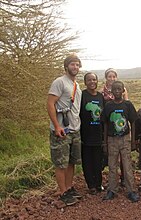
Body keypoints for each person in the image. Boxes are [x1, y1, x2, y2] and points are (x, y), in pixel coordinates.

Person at [47, 54, 83, 206]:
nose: (75, 67)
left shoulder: (76, 85)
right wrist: (56, 126)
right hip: (61, 130)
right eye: (72, 64)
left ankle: (68, 188)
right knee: (60, 162)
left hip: (74, 129)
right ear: (66, 66)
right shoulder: (59, 82)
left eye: (77, 65)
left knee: (71, 162)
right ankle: (62, 192)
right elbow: (50, 104)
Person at [102, 81, 139, 202]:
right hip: (112, 139)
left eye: (119, 89)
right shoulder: (108, 106)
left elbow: (133, 122)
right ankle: (112, 190)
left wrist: (133, 140)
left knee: (127, 165)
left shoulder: (127, 105)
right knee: (112, 165)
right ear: (111, 91)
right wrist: (105, 142)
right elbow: (106, 124)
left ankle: (131, 190)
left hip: (125, 138)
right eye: (115, 89)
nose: (117, 91)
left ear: (123, 91)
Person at [101, 68, 127, 186]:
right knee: (111, 154)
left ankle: (124, 178)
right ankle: (112, 181)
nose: (111, 78)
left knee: (123, 155)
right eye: (109, 76)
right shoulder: (102, 92)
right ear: (106, 78)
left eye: (114, 76)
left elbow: (126, 105)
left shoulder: (122, 90)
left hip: (121, 124)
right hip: (108, 124)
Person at [80, 72, 104, 195]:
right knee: (87, 161)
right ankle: (91, 185)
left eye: (94, 79)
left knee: (98, 160)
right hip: (85, 134)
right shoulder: (82, 96)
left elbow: (103, 117)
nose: (92, 82)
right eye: (89, 80)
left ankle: (99, 183)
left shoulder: (100, 97)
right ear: (85, 82)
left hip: (98, 134)